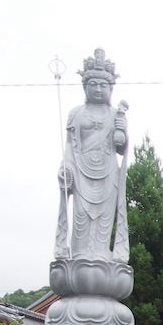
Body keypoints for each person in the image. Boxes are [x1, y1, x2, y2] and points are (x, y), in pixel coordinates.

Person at [56, 48, 129, 262]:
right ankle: (79, 257)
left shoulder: (116, 114)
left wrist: (122, 132)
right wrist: (66, 167)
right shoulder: (76, 114)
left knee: (104, 220)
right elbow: (70, 145)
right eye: (93, 84)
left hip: (107, 172)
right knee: (81, 217)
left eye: (103, 85)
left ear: (111, 88)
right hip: (81, 170)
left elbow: (121, 149)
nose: (98, 89)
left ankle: (101, 256)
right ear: (85, 86)